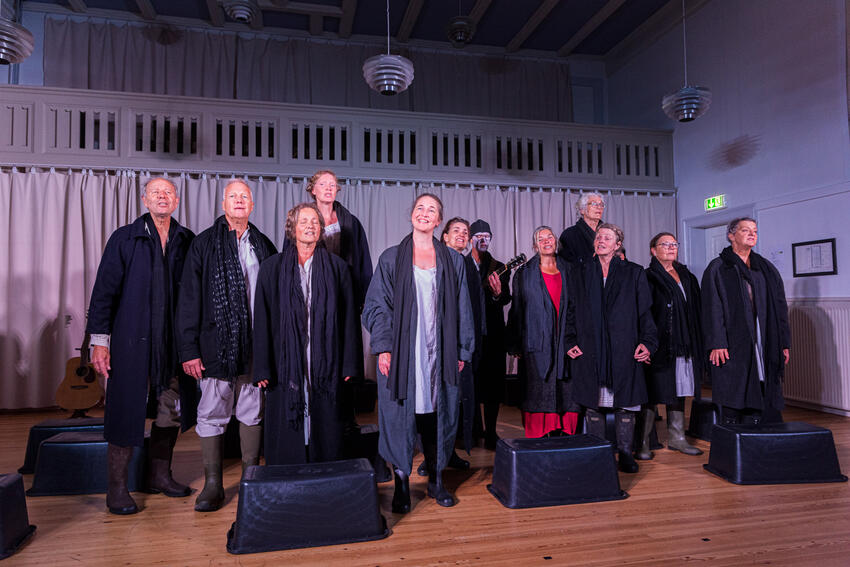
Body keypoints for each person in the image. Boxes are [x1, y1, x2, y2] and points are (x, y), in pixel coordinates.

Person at [87, 177, 195, 515]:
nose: (162, 198)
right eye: (155, 193)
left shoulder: (186, 240)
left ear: (176, 200)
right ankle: (117, 489)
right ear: (144, 199)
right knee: (125, 410)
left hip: (172, 345)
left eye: (168, 193)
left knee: (170, 410)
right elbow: (104, 291)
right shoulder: (125, 238)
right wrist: (100, 342)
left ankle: (160, 476)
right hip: (132, 342)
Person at [362, 193, 474, 513]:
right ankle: (401, 483)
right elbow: (376, 307)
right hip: (402, 353)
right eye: (420, 208)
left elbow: (463, 307)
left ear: (439, 221)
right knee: (400, 417)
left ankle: (437, 480)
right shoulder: (390, 258)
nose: (425, 213)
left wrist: (463, 348)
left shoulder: (453, 260)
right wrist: (383, 347)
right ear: (411, 214)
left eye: (432, 210)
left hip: (440, 349)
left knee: (438, 414)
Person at [176, 179, 277, 512]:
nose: (238, 201)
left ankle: (250, 481)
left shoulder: (263, 244)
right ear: (223, 204)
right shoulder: (203, 244)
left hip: (254, 347)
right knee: (212, 413)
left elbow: (275, 299)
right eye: (233, 196)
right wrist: (188, 350)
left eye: (244, 197)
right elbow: (188, 300)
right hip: (214, 346)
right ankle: (213, 484)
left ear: (252, 206)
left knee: (252, 411)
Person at [252, 203, 360, 465]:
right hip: (284, 358)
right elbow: (262, 319)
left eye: (315, 222)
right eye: (303, 221)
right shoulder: (272, 268)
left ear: (321, 229)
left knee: (325, 414)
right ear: (292, 228)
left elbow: (348, 319)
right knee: (289, 418)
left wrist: (349, 363)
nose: (310, 226)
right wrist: (262, 367)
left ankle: (324, 467)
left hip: (326, 356)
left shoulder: (337, 268)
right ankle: (289, 468)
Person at [566, 223, 657, 473]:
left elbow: (645, 313)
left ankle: (626, 452)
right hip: (589, 346)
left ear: (617, 245)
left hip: (624, 346)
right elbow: (570, 310)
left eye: (608, 237)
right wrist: (569, 340)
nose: (601, 240)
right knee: (593, 401)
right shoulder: (580, 272)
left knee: (625, 402)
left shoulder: (634, 273)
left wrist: (648, 343)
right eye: (599, 237)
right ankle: (598, 450)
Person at [701, 218, 790, 424]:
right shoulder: (718, 268)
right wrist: (717, 342)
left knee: (763, 381)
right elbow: (711, 307)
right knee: (735, 384)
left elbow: (780, 307)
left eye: (755, 231)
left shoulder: (765, 268)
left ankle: (761, 429)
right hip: (733, 339)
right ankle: (735, 432)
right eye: (745, 230)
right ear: (731, 235)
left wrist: (783, 343)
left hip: (763, 334)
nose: (752, 234)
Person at [507, 227, 578, 437]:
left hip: (566, 340)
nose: (547, 241)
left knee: (567, 389)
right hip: (536, 343)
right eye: (541, 238)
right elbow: (517, 309)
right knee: (538, 390)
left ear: (556, 242)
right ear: (534, 246)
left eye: (550, 237)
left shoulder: (570, 270)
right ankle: (540, 434)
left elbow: (578, 307)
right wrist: (514, 343)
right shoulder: (524, 274)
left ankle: (565, 432)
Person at [640, 232, 703, 458]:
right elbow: (642, 313)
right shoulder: (647, 277)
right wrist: (644, 343)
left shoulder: (687, 276)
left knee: (679, 389)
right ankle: (644, 441)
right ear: (653, 250)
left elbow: (696, 311)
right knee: (652, 392)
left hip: (684, 343)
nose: (670, 247)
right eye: (664, 244)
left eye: (674, 244)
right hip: (658, 343)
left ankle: (677, 438)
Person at [438, 217, 482, 468]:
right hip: (442, 344)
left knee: (456, 404)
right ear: (444, 236)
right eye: (456, 231)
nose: (461, 235)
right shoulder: (436, 260)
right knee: (438, 403)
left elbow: (474, 309)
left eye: (465, 232)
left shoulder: (467, 264)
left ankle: (449, 453)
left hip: (464, 345)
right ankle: (433, 457)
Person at [468, 219, 511, 449]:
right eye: (478, 235)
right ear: (470, 238)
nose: (483, 239)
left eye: (487, 235)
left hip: (493, 337)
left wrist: (497, 293)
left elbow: (506, 299)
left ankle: (492, 432)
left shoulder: (500, 266)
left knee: (493, 386)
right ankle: (474, 431)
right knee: (471, 386)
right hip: (469, 337)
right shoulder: (460, 264)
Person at [559, 192, 605, 264]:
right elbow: (565, 267)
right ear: (582, 210)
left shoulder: (610, 233)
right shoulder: (569, 235)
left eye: (601, 205)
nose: (599, 207)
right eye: (594, 204)